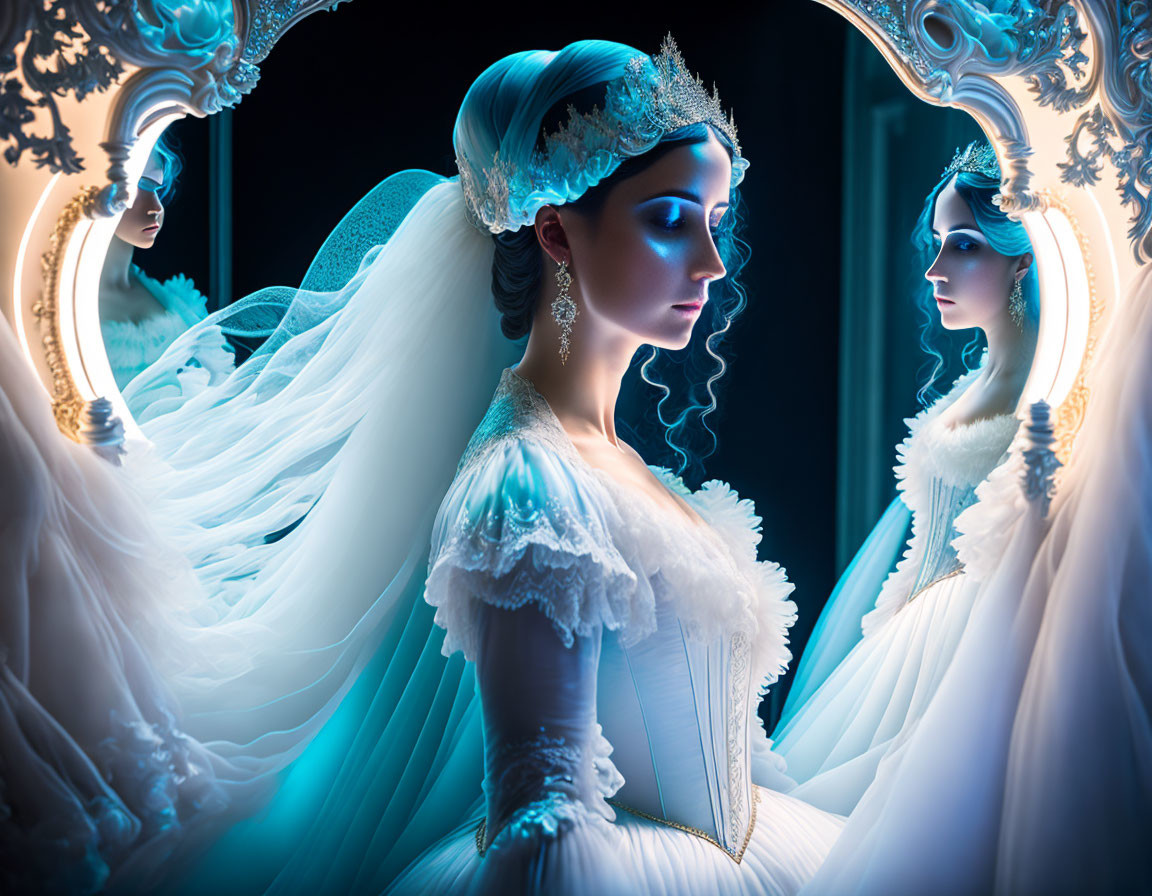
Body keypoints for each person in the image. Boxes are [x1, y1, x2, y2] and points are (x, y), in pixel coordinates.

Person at [130, 37, 843, 896]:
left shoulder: (609, 465)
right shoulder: (526, 490)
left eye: (714, 221)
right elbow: (541, 824)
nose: (710, 262)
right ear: (556, 233)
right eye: (667, 219)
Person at [770, 142, 1037, 816]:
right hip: (906, 644)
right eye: (942, 242)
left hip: (976, 649)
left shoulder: (1050, 390)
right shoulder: (971, 383)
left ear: (1022, 262)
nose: (935, 268)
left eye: (964, 246)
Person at [98, 134, 234, 412]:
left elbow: (221, 381)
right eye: (136, 187)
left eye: (156, 188)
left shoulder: (176, 299)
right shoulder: (64, 302)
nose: (156, 207)